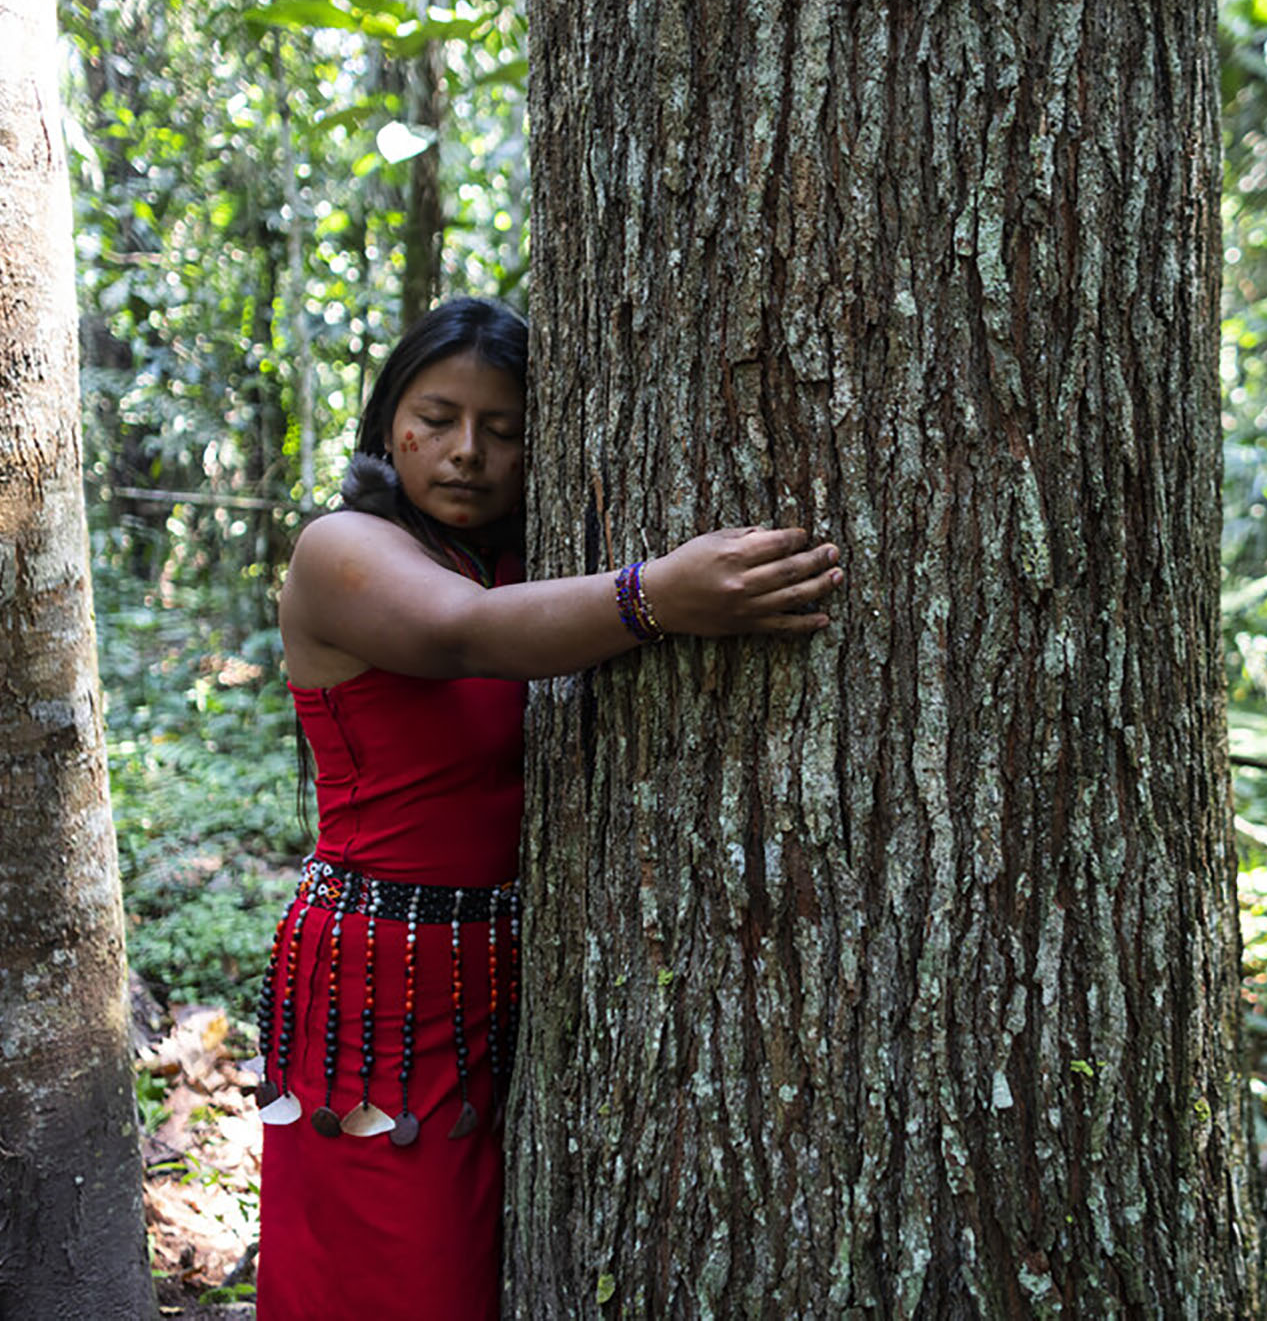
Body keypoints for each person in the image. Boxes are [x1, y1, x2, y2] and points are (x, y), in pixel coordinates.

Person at [252, 296, 842, 1319]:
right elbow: (460, 635)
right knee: (400, 1280)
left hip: (515, 979)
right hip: (379, 990)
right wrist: (656, 596)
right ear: (388, 419)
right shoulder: (341, 549)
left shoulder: (524, 561)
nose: (467, 452)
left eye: (505, 428)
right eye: (435, 419)